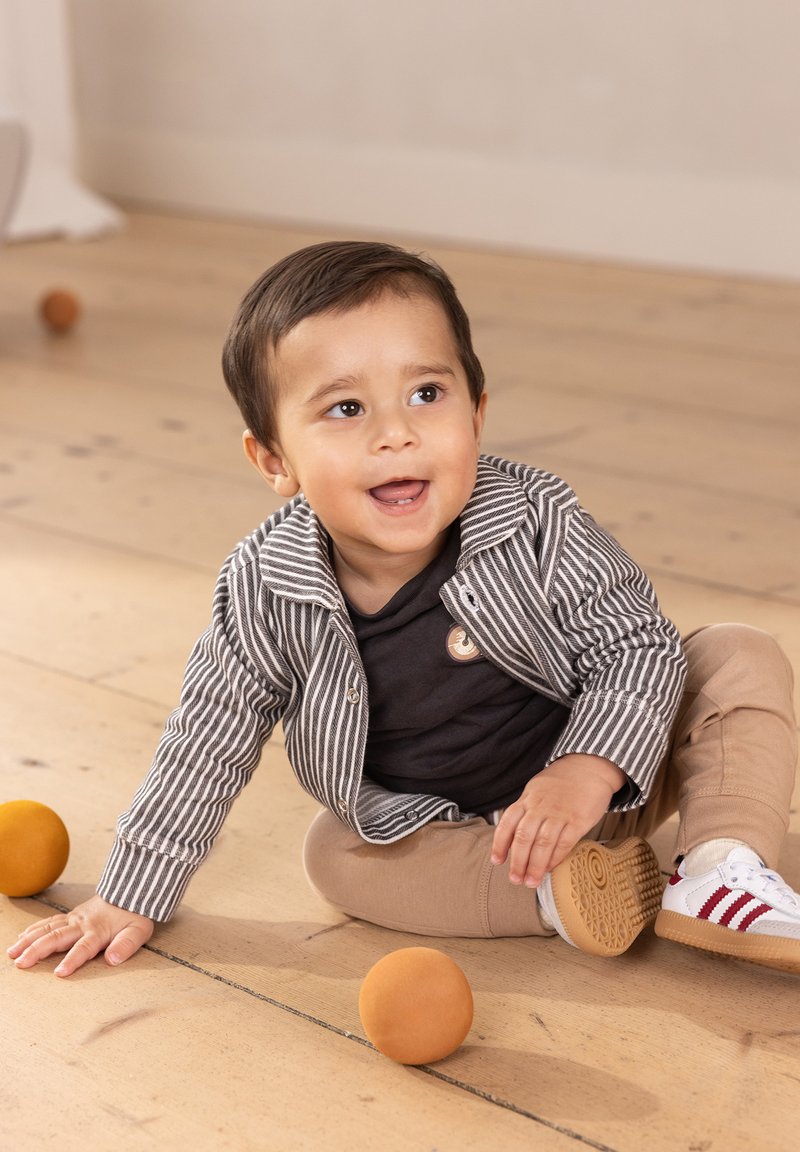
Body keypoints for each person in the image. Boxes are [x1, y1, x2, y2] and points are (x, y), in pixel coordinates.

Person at [8, 242, 799, 978]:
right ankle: (560, 895)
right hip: (462, 835)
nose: (397, 433)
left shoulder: (533, 516)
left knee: (736, 654)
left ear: (477, 415)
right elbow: (207, 738)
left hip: (613, 774)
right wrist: (131, 892)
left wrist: (585, 768)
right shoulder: (265, 587)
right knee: (335, 857)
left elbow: (637, 646)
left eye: (427, 393)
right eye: (346, 409)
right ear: (274, 459)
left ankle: (719, 864)